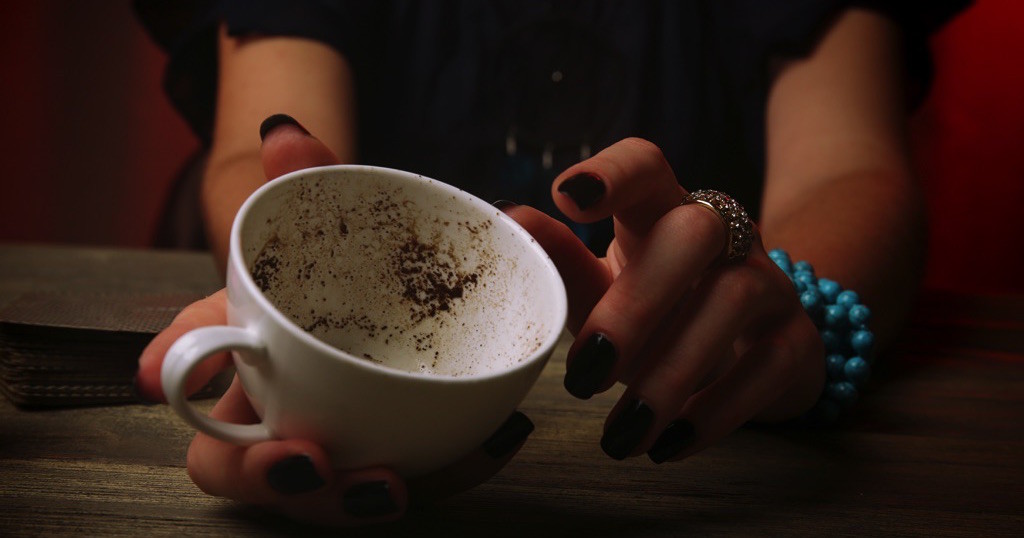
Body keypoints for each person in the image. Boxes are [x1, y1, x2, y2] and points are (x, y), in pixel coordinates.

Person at [133, 0, 967, 527]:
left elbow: (847, 170)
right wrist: (291, 300)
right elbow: (266, 152)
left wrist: (773, 307)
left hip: (686, 395)